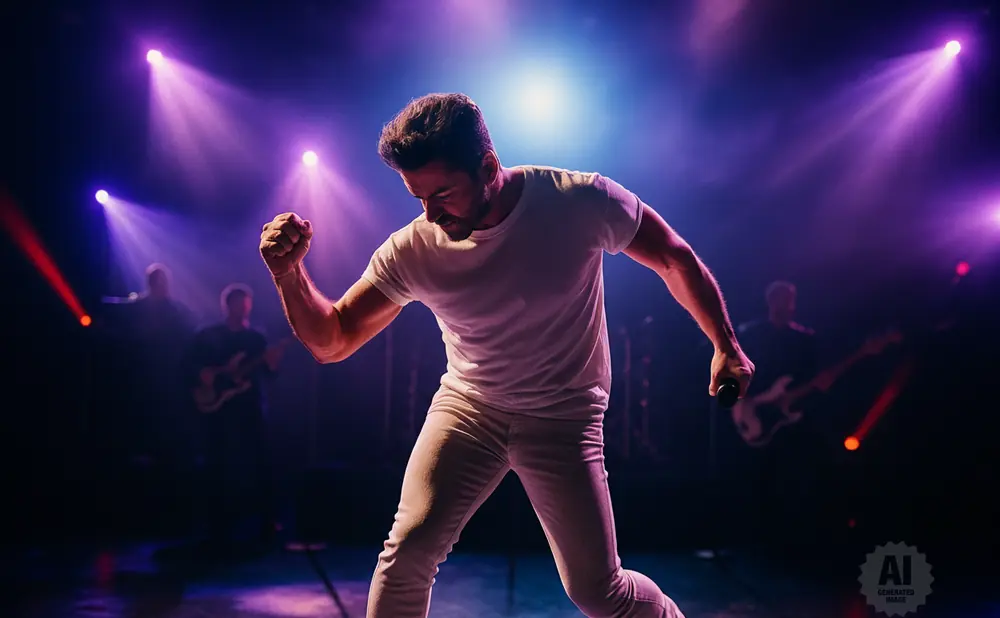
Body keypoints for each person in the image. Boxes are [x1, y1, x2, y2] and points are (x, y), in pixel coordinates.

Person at [260, 93, 754, 618]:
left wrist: (726, 345)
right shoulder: (413, 248)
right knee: (406, 555)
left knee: (597, 591)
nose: (430, 213)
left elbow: (674, 257)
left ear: (489, 167)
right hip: (470, 410)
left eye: (443, 193)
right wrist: (287, 275)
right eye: (418, 197)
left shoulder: (579, 200)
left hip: (564, 417)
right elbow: (332, 340)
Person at [186, 283, 284, 549]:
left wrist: (272, 365)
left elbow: (268, 375)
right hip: (220, 410)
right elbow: (189, 366)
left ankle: (267, 522)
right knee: (217, 463)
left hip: (249, 407)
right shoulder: (208, 336)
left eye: (245, 303)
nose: (242, 308)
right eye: (237, 303)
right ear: (227, 305)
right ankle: (216, 525)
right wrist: (203, 375)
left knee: (261, 462)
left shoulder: (256, 339)